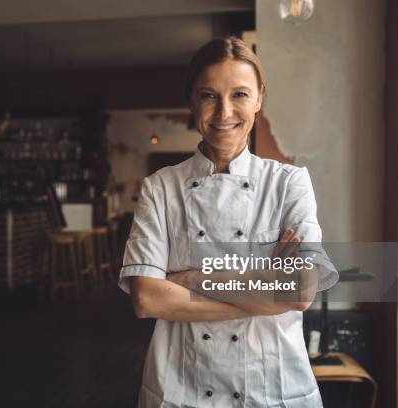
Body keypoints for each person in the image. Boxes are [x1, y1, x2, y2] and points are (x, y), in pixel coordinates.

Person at [118, 36, 338, 407]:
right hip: (182, 387)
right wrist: (266, 292)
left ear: (259, 99)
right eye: (209, 95)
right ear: (192, 100)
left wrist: (191, 281)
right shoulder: (161, 188)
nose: (224, 113)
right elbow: (146, 298)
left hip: (272, 387)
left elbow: (300, 290)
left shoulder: (288, 183)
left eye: (239, 94)